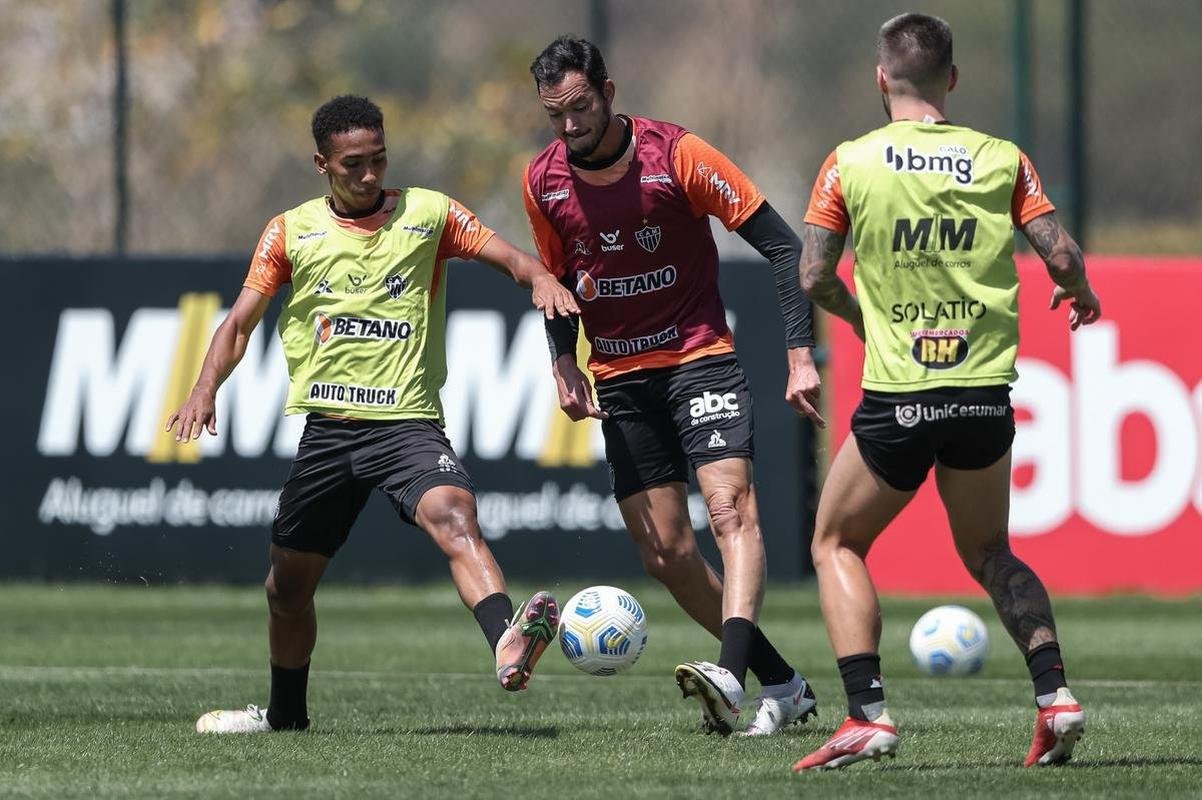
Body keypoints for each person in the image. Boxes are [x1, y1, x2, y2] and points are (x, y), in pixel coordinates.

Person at [168, 95, 579, 733]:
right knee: (286, 590)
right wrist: (203, 387)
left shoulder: (430, 213)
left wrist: (541, 280)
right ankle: (285, 716)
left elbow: (511, 258)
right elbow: (239, 324)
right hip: (328, 435)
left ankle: (506, 638)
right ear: (321, 165)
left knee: (454, 514)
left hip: (407, 425)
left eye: (379, 159)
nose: (369, 175)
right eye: (353, 164)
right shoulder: (290, 231)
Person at [792, 13, 1101, 770]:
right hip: (983, 397)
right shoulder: (1001, 157)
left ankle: (866, 713)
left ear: (881, 80)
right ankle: (1055, 698)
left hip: (902, 396)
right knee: (992, 550)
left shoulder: (849, 162)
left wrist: (863, 318)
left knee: (835, 542)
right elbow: (1059, 252)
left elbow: (812, 277)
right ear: (952, 80)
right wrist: (1082, 292)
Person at [524, 36, 823, 736]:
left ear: (609, 90)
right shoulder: (542, 181)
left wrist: (800, 353)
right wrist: (563, 360)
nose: (570, 127)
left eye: (580, 107)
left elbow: (785, 247)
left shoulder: (678, 156)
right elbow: (556, 281)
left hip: (699, 359)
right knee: (664, 553)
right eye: (554, 115)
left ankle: (728, 671)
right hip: (621, 377)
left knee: (729, 512)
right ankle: (780, 680)